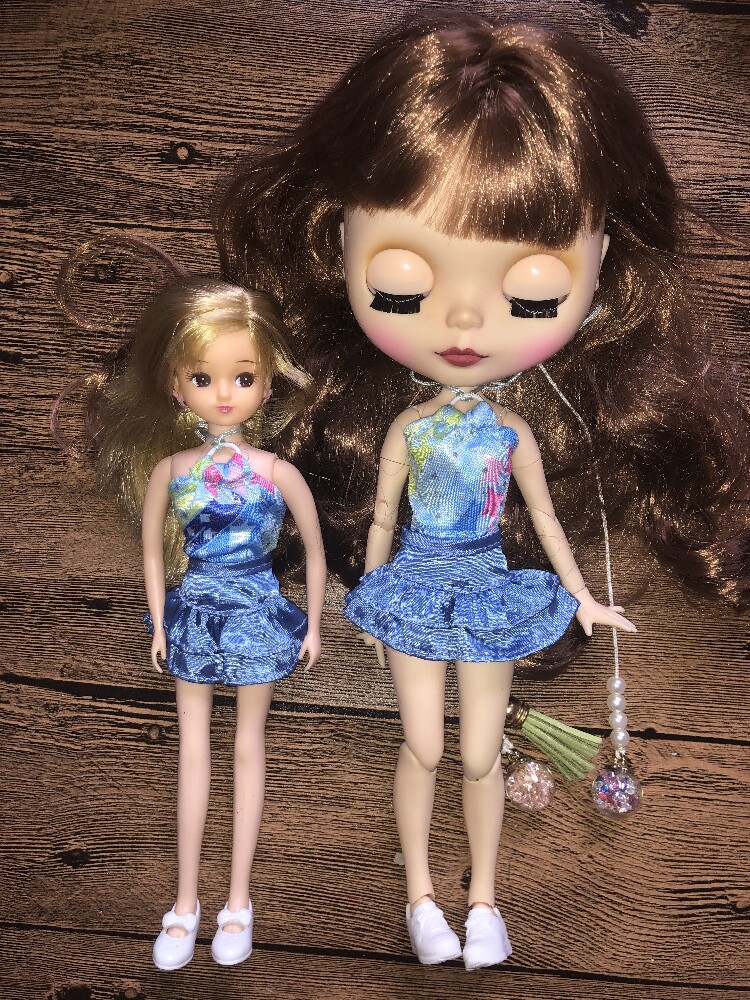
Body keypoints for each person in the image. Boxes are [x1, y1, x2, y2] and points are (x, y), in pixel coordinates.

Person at [213, 13, 749, 969]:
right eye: (402, 281)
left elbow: (539, 515)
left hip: (491, 589)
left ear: (604, 270)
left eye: (533, 291)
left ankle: (486, 901)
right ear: (337, 242)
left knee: (475, 751)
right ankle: (423, 897)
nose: (464, 320)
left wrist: (582, 596)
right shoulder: (408, 429)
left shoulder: (513, 432)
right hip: (415, 588)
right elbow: (383, 515)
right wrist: (368, 600)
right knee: (424, 747)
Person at [56, 252, 326, 970]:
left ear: (268, 382)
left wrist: (314, 623)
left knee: (248, 748)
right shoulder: (171, 472)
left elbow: (316, 552)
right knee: (193, 754)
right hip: (196, 612)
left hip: (260, 610)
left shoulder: (279, 473)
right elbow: (153, 553)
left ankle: (237, 900)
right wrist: (157, 619)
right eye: (203, 378)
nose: (225, 394)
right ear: (176, 386)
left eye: (243, 377)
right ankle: (184, 902)